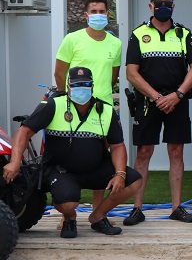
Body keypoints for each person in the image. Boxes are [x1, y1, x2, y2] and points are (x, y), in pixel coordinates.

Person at [2, 67, 142, 238]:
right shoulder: (53, 105)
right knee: (68, 203)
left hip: (95, 168)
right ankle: (69, 217)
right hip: (61, 171)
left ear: (92, 86)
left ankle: (98, 216)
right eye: (76, 85)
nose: (81, 89)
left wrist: (120, 173)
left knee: (134, 181)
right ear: (68, 87)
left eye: (85, 85)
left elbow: (117, 146)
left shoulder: (105, 110)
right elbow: (24, 132)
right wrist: (15, 162)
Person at [124, 0, 192, 225]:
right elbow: (131, 73)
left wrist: (177, 95)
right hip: (148, 102)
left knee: (176, 152)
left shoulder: (183, 33)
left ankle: (177, 207)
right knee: (144, 153)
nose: (163, 6)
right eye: (159, 2)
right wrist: (157, 97)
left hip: (177, 101)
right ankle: (137, 208)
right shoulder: (138, 34)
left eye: (168, 2)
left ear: (173, 6)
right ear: (151, 6)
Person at [54, 0, 123, 212]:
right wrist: (68, 99)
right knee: (70, 157)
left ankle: (97, 213)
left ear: (108, 14)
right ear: (86, 15)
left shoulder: (116, 43)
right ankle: (67, 214)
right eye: (94, 11)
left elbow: (113, 77)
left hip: (103, 109)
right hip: (74, 107)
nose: (98, 15)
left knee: (102, 159)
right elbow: (59, 73)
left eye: (102, 11)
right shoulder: (72, 39)